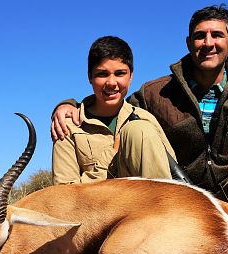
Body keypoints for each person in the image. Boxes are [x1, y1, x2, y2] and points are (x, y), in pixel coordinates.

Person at [51, 5, 228, 208]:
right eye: (200, 36)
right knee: (138, 130)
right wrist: (67, 105)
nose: (208, 43)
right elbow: (111, 104)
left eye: (217, 35)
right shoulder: (155, 94)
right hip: (175, 203)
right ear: (189, 43)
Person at [52, 36, 175, 185]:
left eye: (120, 73)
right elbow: (65, 195)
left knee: (139, 130)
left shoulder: (145, 119)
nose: (111, 83)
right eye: (102, 74)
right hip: (95, 207)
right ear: (89, 76)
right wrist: (111, 154)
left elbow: (169, 173)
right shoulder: (67, 125)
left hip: (145, 205)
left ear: (131, 76)